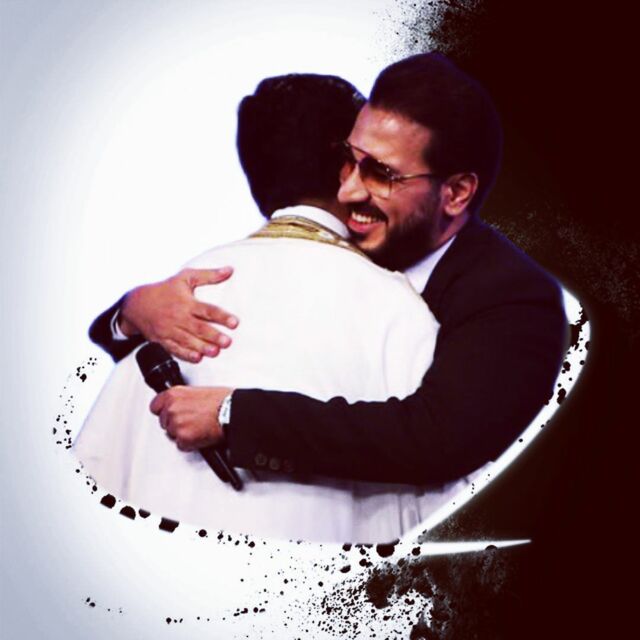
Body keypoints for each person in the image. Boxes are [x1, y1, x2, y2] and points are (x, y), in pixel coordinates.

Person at [89, 53, 567, 507]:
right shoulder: (347, 241)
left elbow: (435, 438)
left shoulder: (511, 298)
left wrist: (234, 415)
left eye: (381, 173)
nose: (348, 190)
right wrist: (133, 311)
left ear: (457, 193)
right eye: (350, 159)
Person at [75, 73, 463, 544]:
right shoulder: (398, 309)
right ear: (349, 170)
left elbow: (90, 482)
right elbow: (445, 505)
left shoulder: (174, 301)